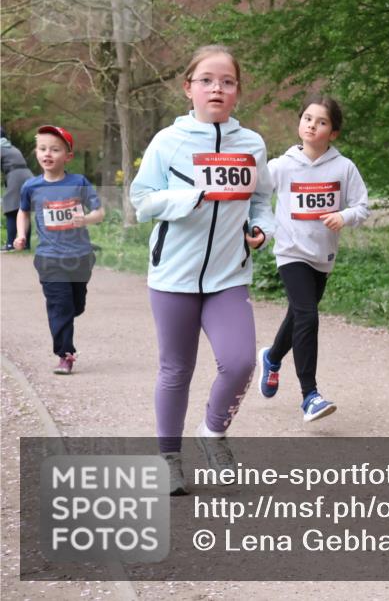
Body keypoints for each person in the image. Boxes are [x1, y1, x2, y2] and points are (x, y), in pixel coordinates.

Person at [129, 45, 275, 496]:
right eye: (207, 80)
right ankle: (168, 458)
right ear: (188, 87)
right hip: (174, 275)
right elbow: (141, 201)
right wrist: (186, 198)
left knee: (240, 361)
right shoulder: (168, 142)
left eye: (227, 82)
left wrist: (259, 230)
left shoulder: (251, 144)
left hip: (228, 275)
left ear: (237, 92)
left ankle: (212, 432)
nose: (217, 88)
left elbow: (262, 201)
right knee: (176, 369)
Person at [257, 95, 369, 421]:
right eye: (307, 118)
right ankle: (310, 396)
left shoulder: (343, 167)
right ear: (299, 123)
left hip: (322, 255)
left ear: (333, 132)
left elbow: (361, 206)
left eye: (321, 122)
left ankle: (272, 357)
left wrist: (344, 217)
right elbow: (256, 194)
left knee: (299, 314)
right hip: (291, 253)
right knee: (308, 316)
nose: (312, 125)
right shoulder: (282, 165)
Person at [13, 126, 104, 374]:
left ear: (68, 156)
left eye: (55, 149)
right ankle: (65, 354)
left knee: (76, 305)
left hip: (80, 257)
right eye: (43, 148)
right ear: (36, 153)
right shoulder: (31, 187)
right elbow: (23, 211)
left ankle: (69, 314)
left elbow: (99, 212)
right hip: (49, 258)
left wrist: (85, 219)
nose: (48, 154)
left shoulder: (79, 182)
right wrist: (21, 235)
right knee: (60, 306)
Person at [2, 126, 34, 250]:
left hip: (16, 177)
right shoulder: (11, 147)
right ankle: (26, 245)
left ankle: (10, 244)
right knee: (23, 210)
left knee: (10, 209)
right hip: (26, 176)